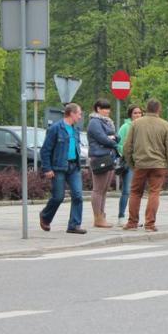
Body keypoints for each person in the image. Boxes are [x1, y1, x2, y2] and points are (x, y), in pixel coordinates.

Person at [122, 98, 168, 232]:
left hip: (140, 164)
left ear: (146, 109)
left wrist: (131, 163)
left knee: (135, 192)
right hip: (159, 164)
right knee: (154, 193)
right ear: (159, 109)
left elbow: (127, 146)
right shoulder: (165, 125)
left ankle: (132, 222)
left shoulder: (136, 124)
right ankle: (150, 224)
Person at [39, 103, 86, 234]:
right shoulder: (55, 128)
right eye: (79, 114)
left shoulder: (76, 130)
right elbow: (45, 150)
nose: (80, 117)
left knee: (78, 195)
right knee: (58, 197)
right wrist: (47, 168)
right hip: (59, 167)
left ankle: (74, 225)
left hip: (74, 167)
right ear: (71, 113)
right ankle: (45, 216)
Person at [86, 98, 118, 228]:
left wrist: (113, 138)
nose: (107, 111)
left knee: (104, 189)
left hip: (108, 156)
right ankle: (98, 217)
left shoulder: (107, 122)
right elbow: (103, 138)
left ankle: (102, 215)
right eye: (105, 108)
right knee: (98, 189)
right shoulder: (94, 122)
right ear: (98, 109)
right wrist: (112, 139)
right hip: (99, 157)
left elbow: (116, 137)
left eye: (108, 108)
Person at [115, 104, 143, 226]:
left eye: (139, 113)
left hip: (140, 163)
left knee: (137, 192)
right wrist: (128, 154)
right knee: (127, 191)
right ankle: (121, 217)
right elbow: (118, 145)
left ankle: (134, 218)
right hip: (129, 163)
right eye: (135, 113)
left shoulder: (143, 127)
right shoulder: (125, 127)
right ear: (130, 114)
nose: (138, 115)